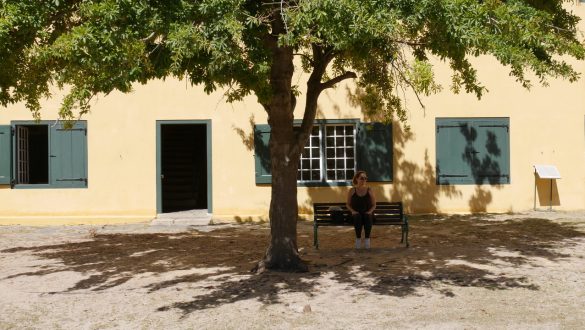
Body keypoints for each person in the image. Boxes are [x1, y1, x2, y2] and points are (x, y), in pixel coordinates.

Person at [346, 170, 376, 249]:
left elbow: (374, 205)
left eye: (365, 178)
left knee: (367, 216)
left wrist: (370, 212)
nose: (364, 180)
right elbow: (347, 204)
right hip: (355, 214)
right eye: (362, 178)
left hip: (367, 213)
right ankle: (358, 239)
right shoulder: (352, 190)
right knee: (357, 216)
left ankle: (367, 240)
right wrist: (353, 211)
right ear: (357, 179)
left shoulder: (369, 190)